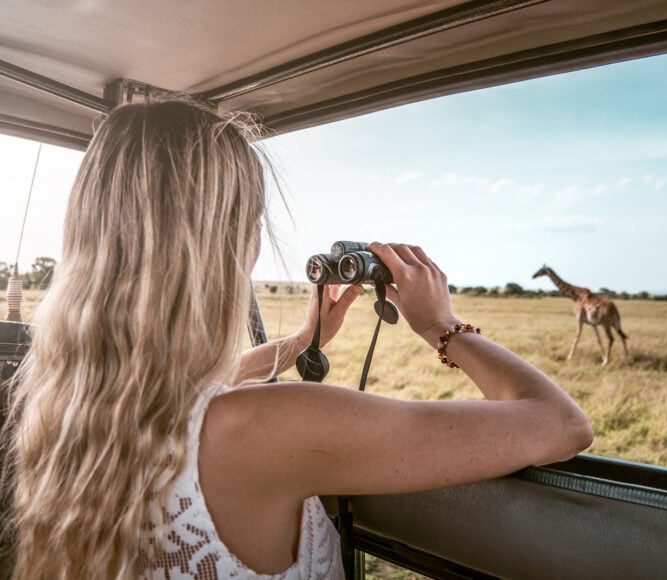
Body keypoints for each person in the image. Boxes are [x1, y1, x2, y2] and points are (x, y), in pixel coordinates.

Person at [1, 100, 593, 579]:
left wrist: (302, 340)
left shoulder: (65, 405)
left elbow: (187, 399)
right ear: (230, 240)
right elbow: (560, 424)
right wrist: (442, 325)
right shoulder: (266, 426)